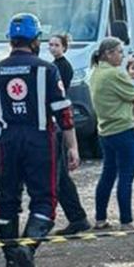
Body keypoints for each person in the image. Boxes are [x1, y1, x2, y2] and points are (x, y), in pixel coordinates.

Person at [0, 13, 80, 267]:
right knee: (45, 198)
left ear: (11, 41)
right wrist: (72, 147)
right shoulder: (47, 69)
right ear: (36, 40)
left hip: (9, 139)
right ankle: (28, 245)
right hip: (40, 139)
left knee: (7, 197)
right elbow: (64, 113)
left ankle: (10, 255)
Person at [89, 37, 134, 231]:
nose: (122, 56)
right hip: (123, 129)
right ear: (109, 53)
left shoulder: (96, 72)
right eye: (120, 52)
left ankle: (100, 217)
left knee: (108, 174)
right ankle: (127, 220)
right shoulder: (115, 74)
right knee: (126, 176)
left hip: (105, 130)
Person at [48, 33, 90, 236]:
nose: (53, 48)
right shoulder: (54, 65)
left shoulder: (61, 67)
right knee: (61, 176)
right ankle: (77, 217)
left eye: (56, 45)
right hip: (56, 122)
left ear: (64, 47)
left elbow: (59, 96)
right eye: (51, 44)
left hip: (56, 122)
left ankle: (76, 217)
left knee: (60, 177)